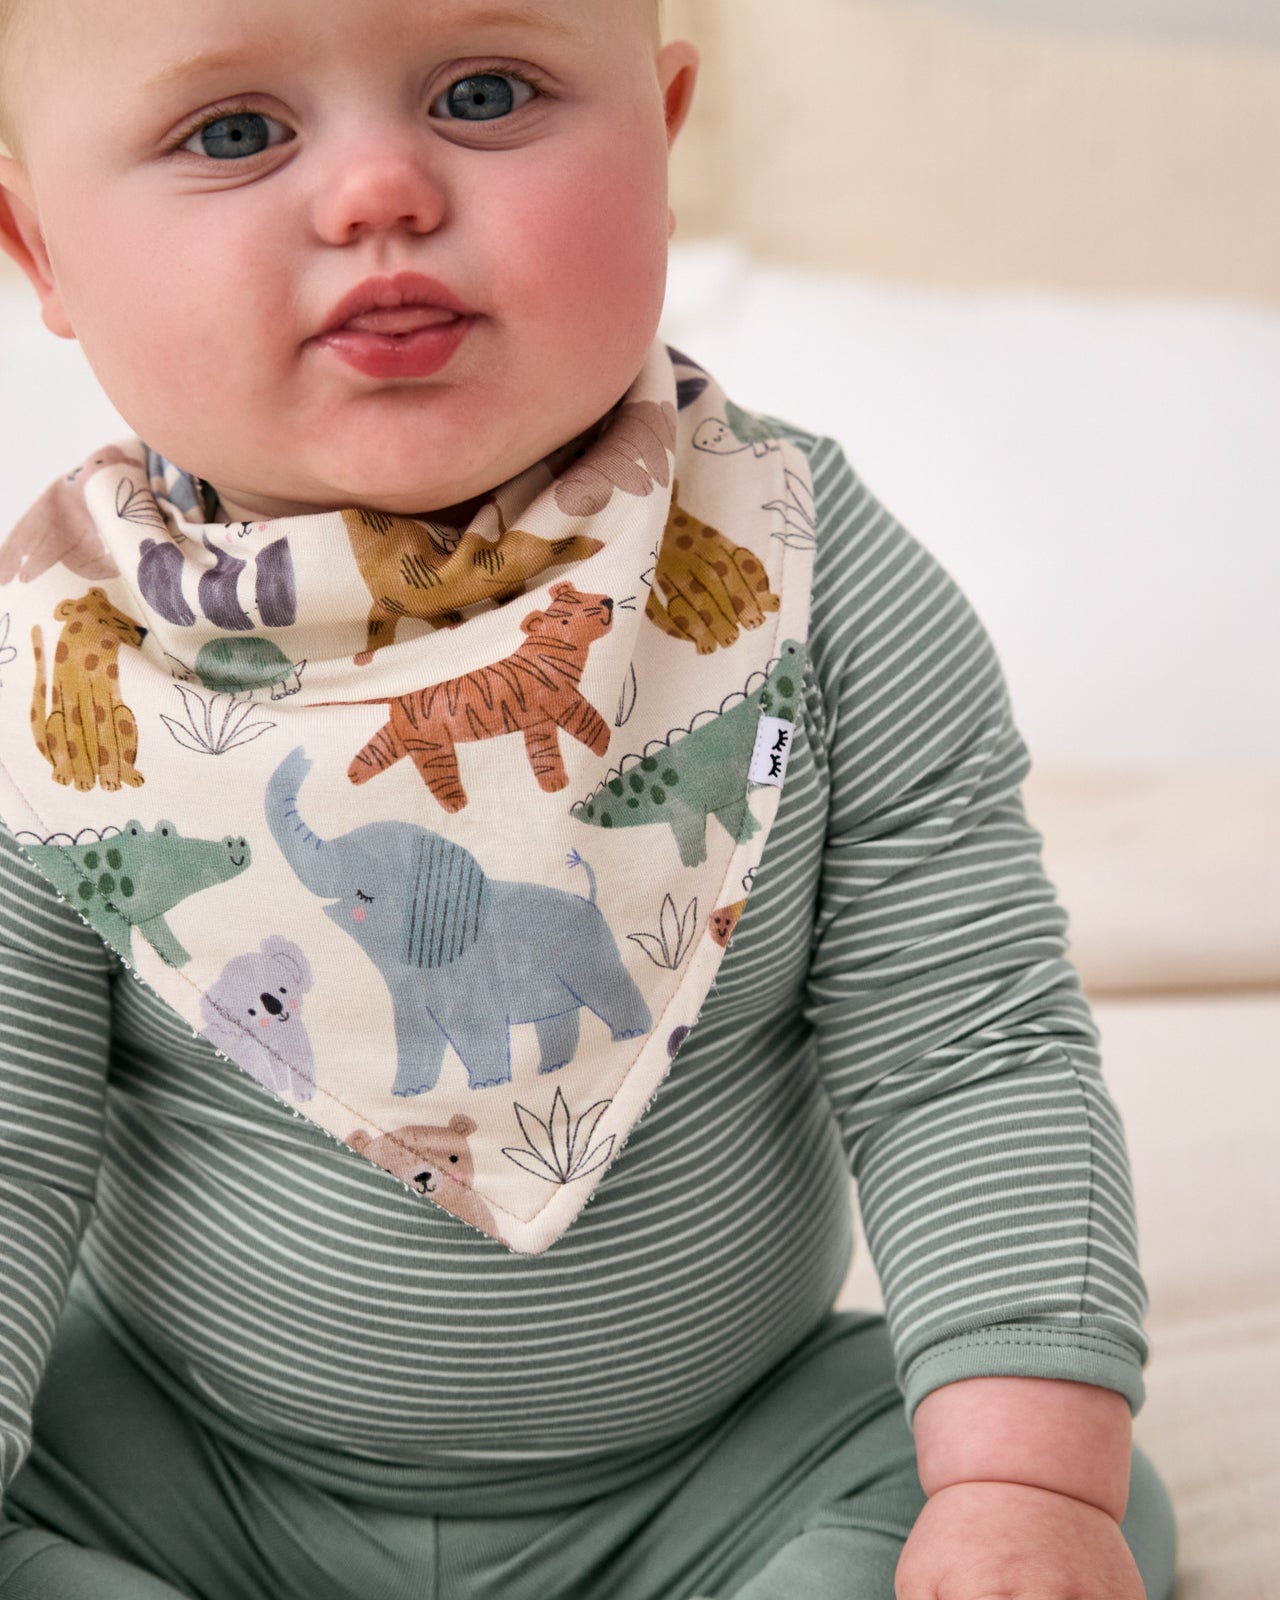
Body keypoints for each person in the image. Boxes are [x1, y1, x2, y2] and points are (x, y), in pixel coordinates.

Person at [0, 1, 1177, 1597]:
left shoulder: (807, 578)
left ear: (662, 143)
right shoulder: (46, 679)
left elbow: (967, 1042)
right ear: (42, 248)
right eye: (235, 133)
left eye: (487, 92)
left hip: (724, 1462)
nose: (380, 191)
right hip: (185, 1460)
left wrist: (1021, 1480)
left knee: (1039, 1479)